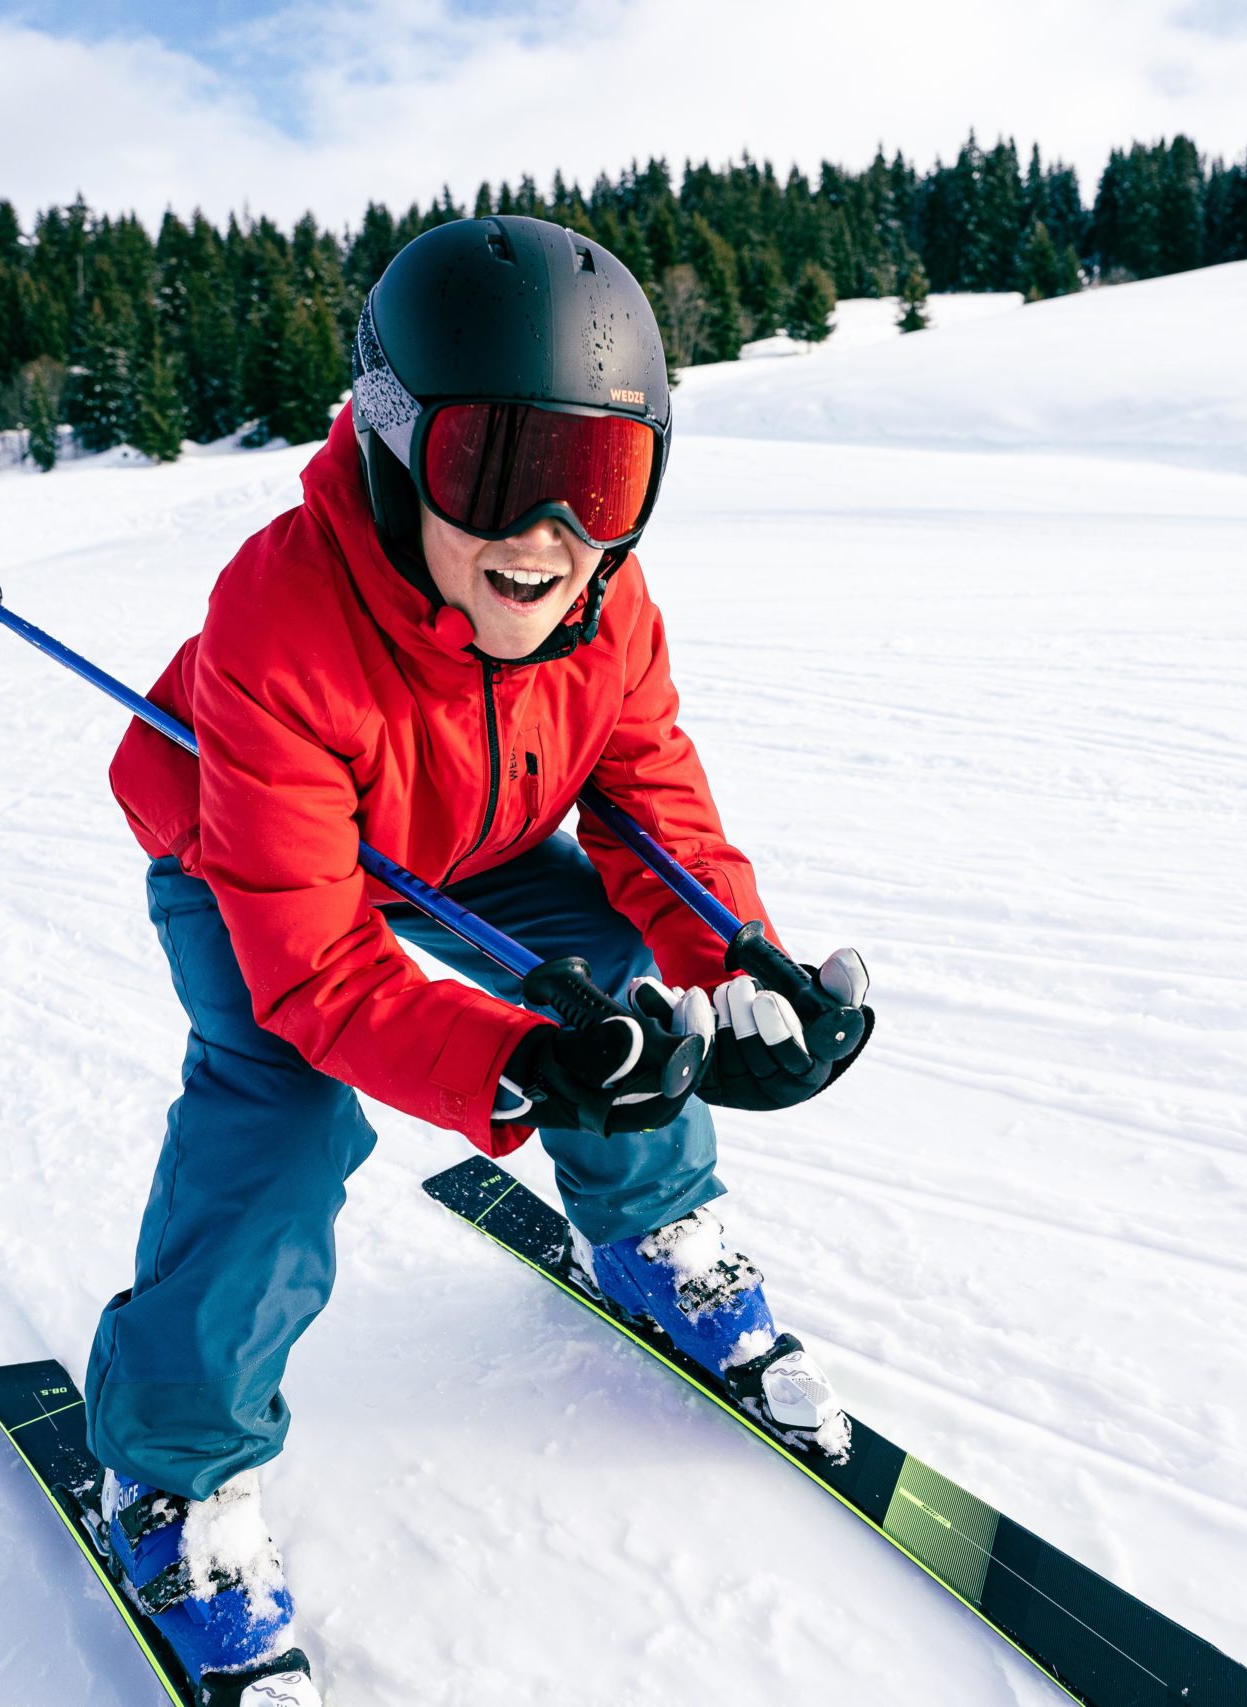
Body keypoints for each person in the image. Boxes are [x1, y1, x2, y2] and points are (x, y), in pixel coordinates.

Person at [88, 215, 874, 1704]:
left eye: (601, 481)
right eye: (493, 471)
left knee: (622, 1001)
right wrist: (514, 1064)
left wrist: (741, 965)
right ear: (393, 450)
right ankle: (172, 1474)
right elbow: (316, 967)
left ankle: (645, 1230)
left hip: (475, 836)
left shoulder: (601, 605)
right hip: (249, 852)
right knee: (281, 1110)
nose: (545, 537)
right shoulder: (280, 621)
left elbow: (648, 801)